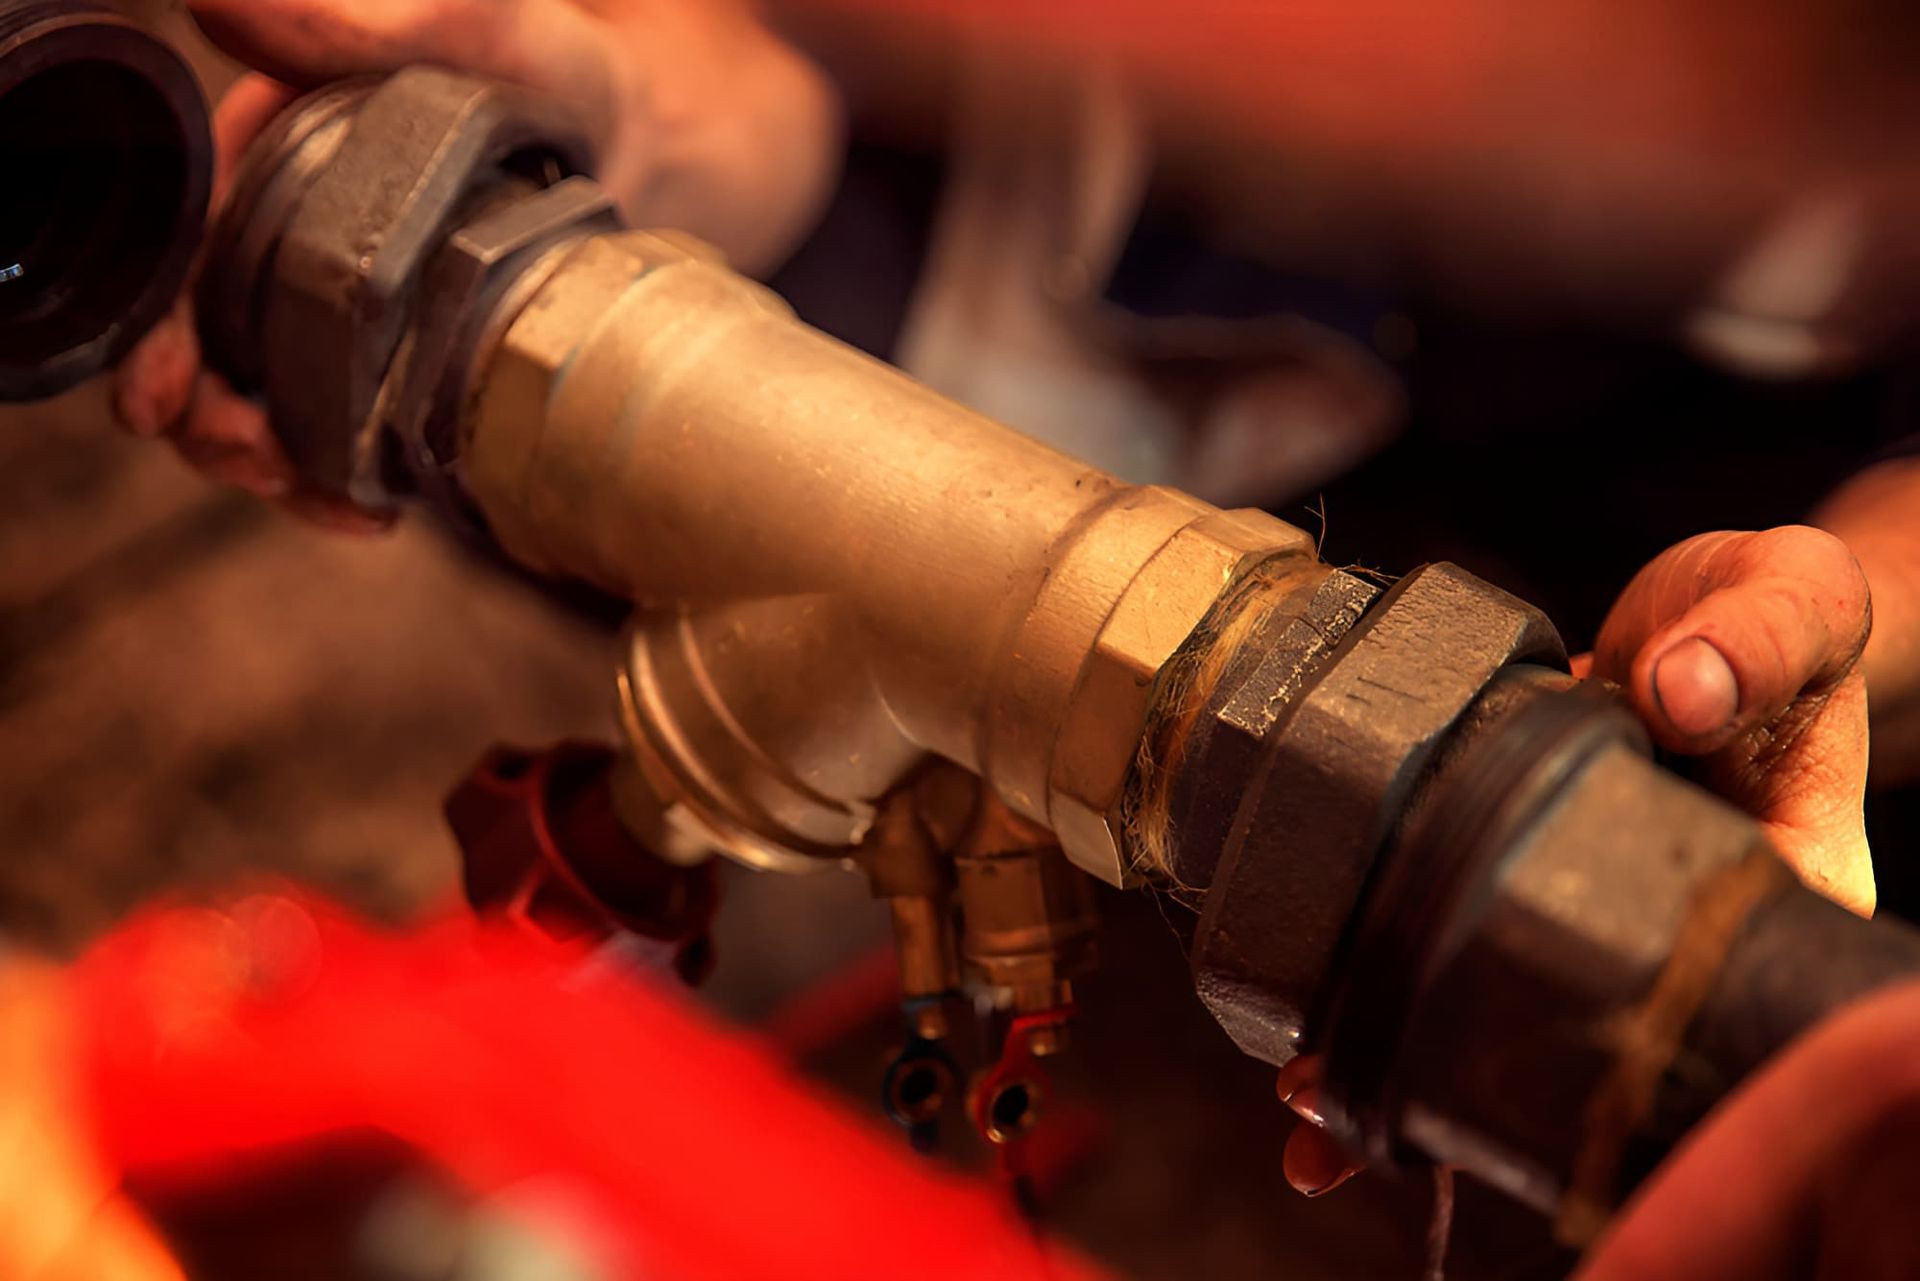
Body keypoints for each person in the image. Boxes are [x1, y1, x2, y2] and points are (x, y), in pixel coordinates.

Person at [109, 1, 1920, 1274]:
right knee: (571, 445)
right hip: (1140, 272)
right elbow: (825, 74)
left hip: (1755, 422)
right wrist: (639, 105)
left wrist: (1844, 615)